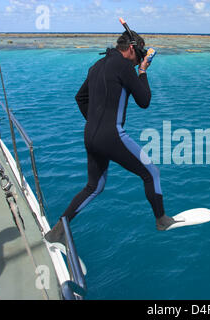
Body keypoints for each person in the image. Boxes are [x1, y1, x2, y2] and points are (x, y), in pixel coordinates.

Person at [45, 31, 176, 245]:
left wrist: (96, 123)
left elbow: (80, 98)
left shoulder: (96, 66)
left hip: (90, 135)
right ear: (132, 49)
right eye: (139, 55)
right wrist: (142, 71)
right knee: (151, 173)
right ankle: (161, 220)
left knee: (93, 187)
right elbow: (144, 101)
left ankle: (58, 230)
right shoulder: (125, 66)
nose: (137, 61)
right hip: (111, 135)